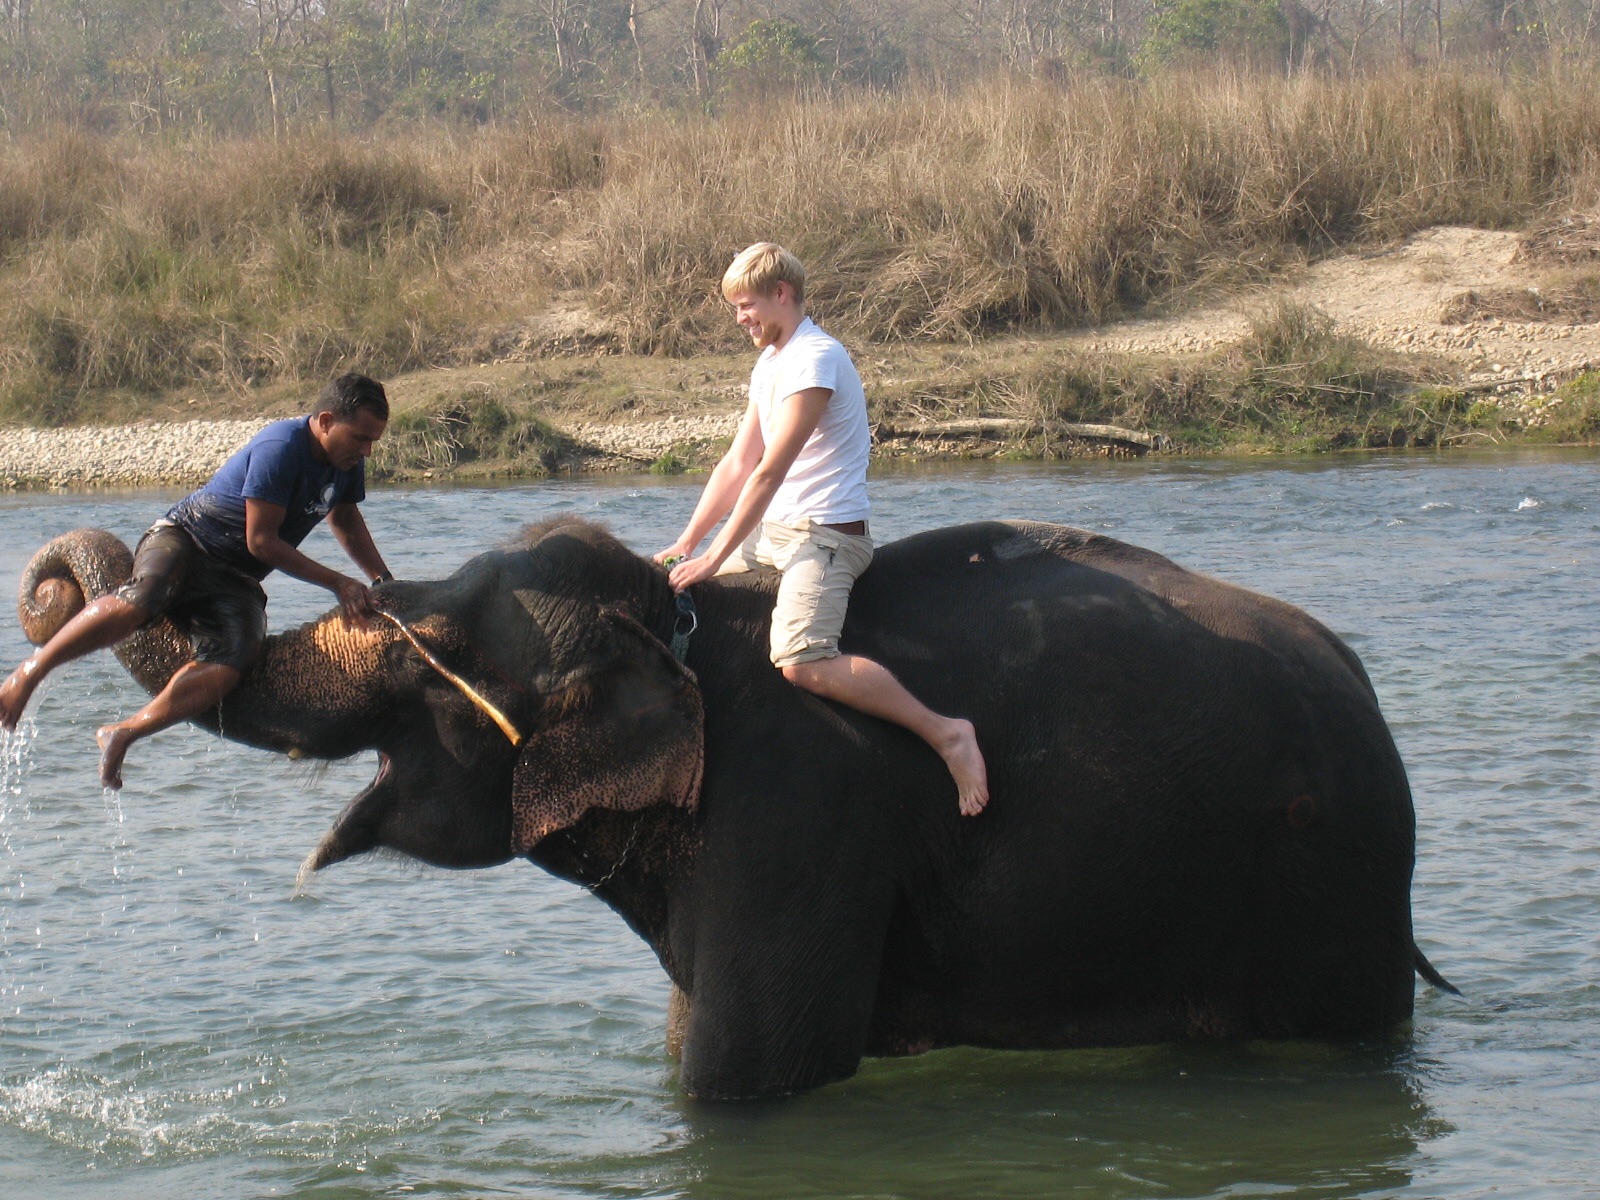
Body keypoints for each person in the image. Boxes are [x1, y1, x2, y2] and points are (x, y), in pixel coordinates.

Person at [657, 243, 989, 816]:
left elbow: (769, 471)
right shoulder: (770, 363)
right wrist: (688, 543)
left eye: (745, 305)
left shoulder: (816, 359)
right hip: (777, 532)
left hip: (827, 535)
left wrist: (715, 557)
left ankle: (947, 734)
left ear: (781, 294)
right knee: (670, 589)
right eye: (736, 308)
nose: (740, 318)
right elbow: (737, 464)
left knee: (800, 660)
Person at [0, 373, 394, 789]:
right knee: (145, 598)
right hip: (185, 540)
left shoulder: (346, 462)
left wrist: (381, 579)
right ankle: (29, 672)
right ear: (327, 420)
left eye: (374, 441)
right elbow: (261, 541)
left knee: (229, 665)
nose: (366, 449)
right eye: (360, 437)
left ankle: (124, 732)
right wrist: (338, 583)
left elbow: (345, 519)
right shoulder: (281, 448)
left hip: (234, 580)